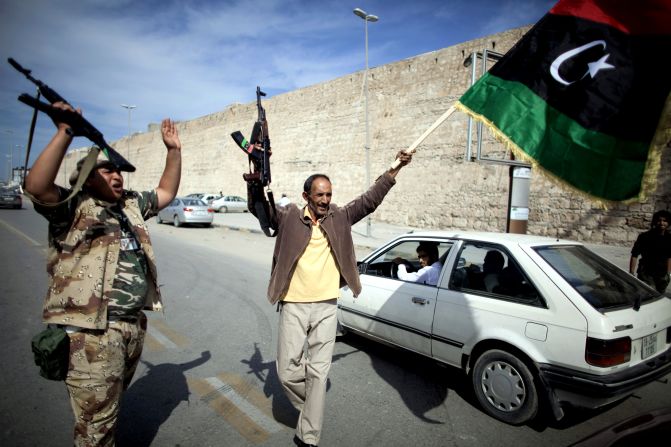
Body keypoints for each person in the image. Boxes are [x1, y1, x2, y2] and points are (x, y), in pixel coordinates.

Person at [24, 100, 182, 446]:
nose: (117, 176)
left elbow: (166, 192)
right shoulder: (73, 208)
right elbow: (36, 187)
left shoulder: (130, 206)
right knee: (96, 426)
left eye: (119, 171)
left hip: (130, 326)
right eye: (107, 170)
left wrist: (173, 152)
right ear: (86, 177)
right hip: (92, 333)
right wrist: (66, 130)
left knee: (107, 413)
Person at [248, 150, 412, 447]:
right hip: (294, 305)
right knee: (287, 372)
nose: (325, 200)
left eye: (329, 194)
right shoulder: (288, 217)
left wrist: (395, 168)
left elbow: (369, 200)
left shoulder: (339, 216)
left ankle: (309, 435)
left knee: (319, 372)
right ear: (306, 196)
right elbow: (264, 211)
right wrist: (256, 183)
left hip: (326, 305)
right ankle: (312, 409)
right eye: (319, 195)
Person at [629, 209, 671, 293]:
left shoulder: (669, 238)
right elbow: (634, 255)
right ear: (655, 222)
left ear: (668, 223)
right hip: (646, 273)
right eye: (659, 220)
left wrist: (668, 273)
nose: (662, 223)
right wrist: (631, 273)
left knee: (660, 296)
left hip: (662, 275)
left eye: (665, 221)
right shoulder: (644, 237)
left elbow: (669, 256)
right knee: (648, 294)